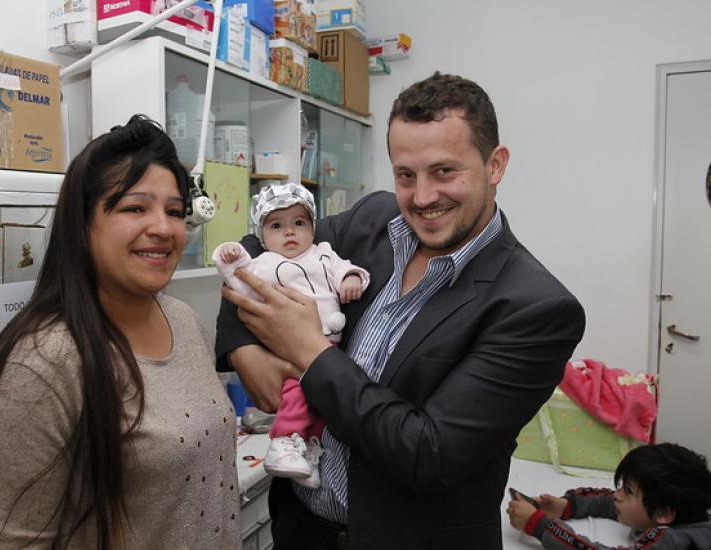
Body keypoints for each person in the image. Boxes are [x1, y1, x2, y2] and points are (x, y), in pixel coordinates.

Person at [215, 71, 586, 549]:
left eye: (444, 171)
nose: (423, 197)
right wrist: (245, 350)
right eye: (406, 175)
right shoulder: (372, 221)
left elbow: (427, 454)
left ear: (495, 165)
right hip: (301, 528)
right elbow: (257, 245)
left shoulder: (535, 308)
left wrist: (308, 352)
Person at [0, 115, 240, 549]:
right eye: (135, 208)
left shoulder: (183, 320)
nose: (164, 228)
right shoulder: (40, 363)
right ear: (81, 223)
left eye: (174, 211)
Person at [213, 183, 369, 489]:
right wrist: (229, 257)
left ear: (313, 227)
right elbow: (240, 285)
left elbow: (346, 269)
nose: (289, 232)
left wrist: (351, 278)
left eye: (299, 223)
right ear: (263, 237)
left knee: (325, 405)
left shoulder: (324, 253)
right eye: (277, 226)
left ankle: (308, 450)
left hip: (330, 347)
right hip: (287, 349)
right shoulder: (265, 263)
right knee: (297, 395)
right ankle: (283, 441)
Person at [506, 442, 711, 549]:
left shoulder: (672, 541)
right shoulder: (679, 512)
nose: (617, 495)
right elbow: (610, 500)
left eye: (628, 491)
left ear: (664, 514)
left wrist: (539, 525)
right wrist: (567, 506)